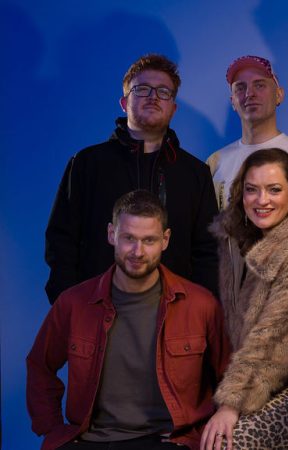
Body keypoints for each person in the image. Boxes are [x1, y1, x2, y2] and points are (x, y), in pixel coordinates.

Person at [27, 190, 230, 450]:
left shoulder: (200, 304)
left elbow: (230, 373)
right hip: (91, 440)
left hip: (167, 441)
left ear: (165, 240)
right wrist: (53, 430)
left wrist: (223, 413)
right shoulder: (73, 303)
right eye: (129, 239)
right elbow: (39, 365)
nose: (138, 251)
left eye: (149, 240)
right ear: (112, 234)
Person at [45, 53, 219, 303]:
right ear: (124, 102)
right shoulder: (87, 164)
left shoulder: (195, 174)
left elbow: (208, 252)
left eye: (163, 92)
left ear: (173, 107)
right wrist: (69, 304)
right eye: (142, 89)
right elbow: (61, 241)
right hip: (97, 311)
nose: (153, 97)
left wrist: (199, 311)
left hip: (174, 317)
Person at [201, 148, 288, 450]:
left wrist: (231, 404)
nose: (262, 200)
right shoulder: (241, 239)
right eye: (252, 190)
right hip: (271, 377)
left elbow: (277, 338)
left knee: (233, 442)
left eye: (274, 190)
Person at [206, 55, 288, 218]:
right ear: (233, 101)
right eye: (240, 87)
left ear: (279, 95)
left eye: (260, 85)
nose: (249, 93)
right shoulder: (215, 163)